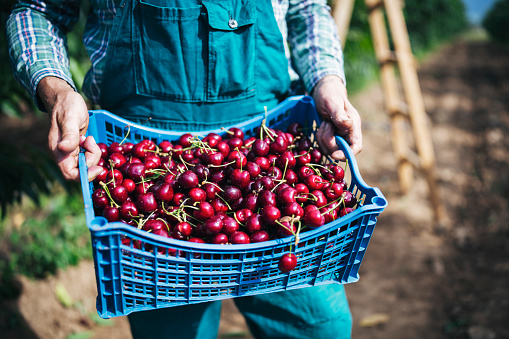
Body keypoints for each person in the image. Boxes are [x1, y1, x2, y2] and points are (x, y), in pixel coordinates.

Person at [7, 1, 362, 338]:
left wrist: (327, 80)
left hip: (266, 135)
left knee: (319, 327)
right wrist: (56, 90)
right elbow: (36, 10)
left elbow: (305, 9)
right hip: (141, 155)